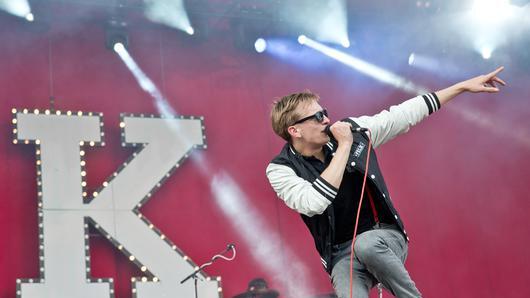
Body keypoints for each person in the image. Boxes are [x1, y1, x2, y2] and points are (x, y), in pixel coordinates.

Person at [266, 67, 506, 298]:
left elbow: (402, 115)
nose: (327, 119)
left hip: (383, 235)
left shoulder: (356, 132)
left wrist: (461, 87)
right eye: (318, 117)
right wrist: (345, 146)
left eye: (325, 111)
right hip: (341, 254)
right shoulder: (281, 169)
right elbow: (314, 203)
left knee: (366, 245)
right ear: (294, 131)